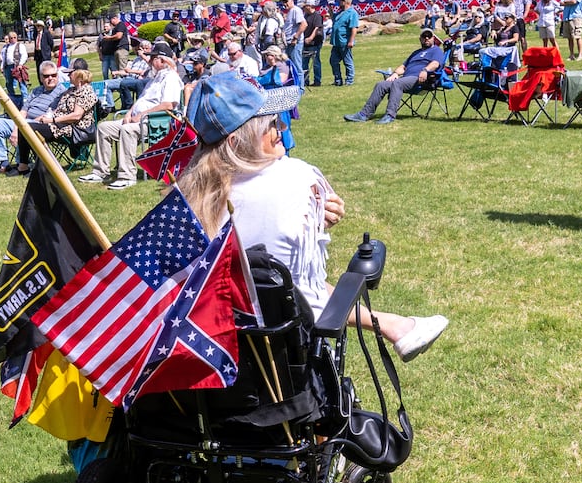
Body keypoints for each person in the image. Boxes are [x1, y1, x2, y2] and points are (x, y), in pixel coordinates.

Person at [178, 71, 448, 362]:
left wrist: (309, 224)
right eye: (270, 123)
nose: (282, 125)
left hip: (210, 349)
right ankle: (396, 326)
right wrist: (313, 225)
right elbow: (306, 285)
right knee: (292, 282)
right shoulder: (296, 176)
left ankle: (395, 325)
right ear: (236, 142)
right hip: (290, 350)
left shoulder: (183, 199)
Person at [79, 41, 183, 190]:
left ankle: (127, 176)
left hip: (157, 122)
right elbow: (142, 99)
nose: (150, 61)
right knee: (104, 127)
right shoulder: (155, 78)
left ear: (162, 60)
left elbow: (168, 105)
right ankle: (100, 172)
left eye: (153, 58)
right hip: (139, 119)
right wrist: (129, 112)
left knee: (127, 130)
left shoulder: (171, 78)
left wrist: (141, 115)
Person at [343, 28, 447, 125]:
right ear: (420, 39)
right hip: (406, 79)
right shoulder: (416, 53)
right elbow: (403, 67)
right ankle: (364, 114)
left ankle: (390, 115)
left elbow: (435, 64)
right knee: (381, 85)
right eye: (424, 36)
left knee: (398, 83)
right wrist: (395, 73)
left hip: (421, 80)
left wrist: (425, 70)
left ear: (433, 38)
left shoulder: (436, 51)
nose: (427, 38)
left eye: (429, 36)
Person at [104, 39, 153, 109]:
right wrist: (117, 72)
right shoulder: (136, 59)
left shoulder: (150, 60)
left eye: (146, 48)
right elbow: (126, 72)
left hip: (137, 80)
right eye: (142, 48)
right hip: (126, 78)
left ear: (150, 49)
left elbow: (144, 72)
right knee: (105, 84)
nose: (144, 50)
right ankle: (110, 106)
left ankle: (128, 106)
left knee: (124, 83)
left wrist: (131, 71)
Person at [329, 0, 360, 85]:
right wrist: (330, 10)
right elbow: (334, 19)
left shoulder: (352, 13)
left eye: (341, 0)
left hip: (345, 41)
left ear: (346, 1)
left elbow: (354, 28)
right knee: (333, 61)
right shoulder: (340, 12)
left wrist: (351, 41)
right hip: (336, 42)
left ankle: (349, 80)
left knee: (347, 62)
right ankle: (338, 80)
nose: (339, 2)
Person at [301, 0, 325, 86]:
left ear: (310, 6)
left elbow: (317, 28)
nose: (304, 8)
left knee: (316, 63)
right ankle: (305, 81)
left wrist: (310, 38)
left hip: (315, 43)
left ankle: (317, 81)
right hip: (305, 43)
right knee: (304, 63)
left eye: (305, 6)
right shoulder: (305, 16)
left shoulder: (317, 16)